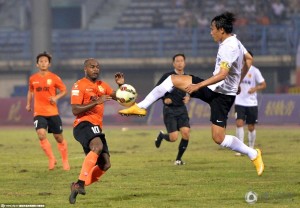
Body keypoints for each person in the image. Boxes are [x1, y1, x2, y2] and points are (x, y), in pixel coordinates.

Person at [119, 12, 264, 176]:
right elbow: (249, 60)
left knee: (219, 138)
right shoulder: (235, 41)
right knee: (172, 79)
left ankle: (253, 153)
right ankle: (140, 107)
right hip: (218, 90)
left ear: (221, 30)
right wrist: (238, 81)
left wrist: (198, 85)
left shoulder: (229, 47)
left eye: (212, 29)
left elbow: (223, 74)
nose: (211, 32)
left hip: (221, 95)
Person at [69, 58, 124, 204]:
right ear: (85, 69)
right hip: (82, 124)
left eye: (97, 67)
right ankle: (80, 184)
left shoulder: (102, 85)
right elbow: (75, 110)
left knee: (105, 164)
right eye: (92, 67)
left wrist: (121, 86)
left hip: (96, 127)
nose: (96, 69)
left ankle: (77, 185)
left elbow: (122, 99)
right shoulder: (79, 85)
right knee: (97, 147)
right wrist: (96, 102)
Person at [26, 51, 70, 171]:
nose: (43, 63)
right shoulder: (33, 79)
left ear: (49, 64)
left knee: (58, 137)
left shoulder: (54, 78)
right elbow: (30, 91)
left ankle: (65, 161)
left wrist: (56, 98)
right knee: (41, 134)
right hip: (39, 112)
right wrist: (28, 104)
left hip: (52, 112)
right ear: (37, 64)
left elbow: (64, 90)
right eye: (41, 61)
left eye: (45, 61)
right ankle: (51, 159)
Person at [155, 53, 191, 165]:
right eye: (177, 61)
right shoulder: (167, 76)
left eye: (181, 61)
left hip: (181, 109)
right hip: (169, 110)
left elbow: (193, 90)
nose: (180, 63)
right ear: (173, 63)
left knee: (186, 133)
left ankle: (178, 159)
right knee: (173, 138)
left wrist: (189, 97)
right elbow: (156, 90)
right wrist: (165, 99)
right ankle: (162, 136)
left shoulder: (188, 77)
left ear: (184, 63)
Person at [235, 51, 266, 156]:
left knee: (251, 126)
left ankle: (251, 147)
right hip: (239, 101)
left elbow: (263, 84)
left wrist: (255, 88)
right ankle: (240, 148)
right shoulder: (238, 70)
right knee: (239, 123)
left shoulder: (255, 71)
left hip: (251, 103)